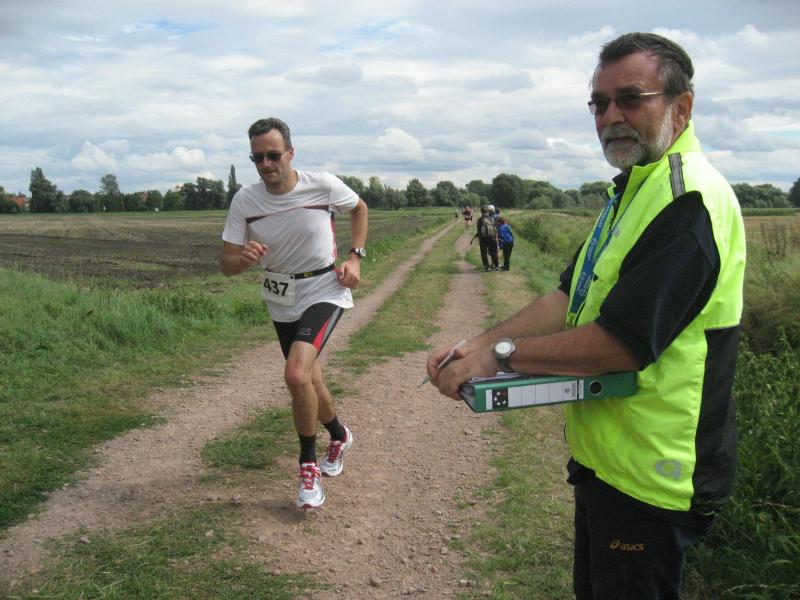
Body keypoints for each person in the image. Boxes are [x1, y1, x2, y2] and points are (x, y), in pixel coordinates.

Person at [427, 32, 745, 599]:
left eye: (630, 99)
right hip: (607, 461)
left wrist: (500, 357)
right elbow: (566, 296)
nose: (610, 116)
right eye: (599, 103)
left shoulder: (688, 201)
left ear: (682, 107)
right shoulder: (631, 192)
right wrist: (477, 343)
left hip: (655, 478)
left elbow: (621, 344)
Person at [220, 117, 368, 509]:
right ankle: (339, 435)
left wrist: (355, 257)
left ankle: (308, 466)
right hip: (281, 295)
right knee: (310, 382)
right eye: (257, 158)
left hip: (324, 288)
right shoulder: (245, 201)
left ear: (290, 152)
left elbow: (359, 208)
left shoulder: (322, 185)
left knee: (295, 374)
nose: (266, 164)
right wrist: (242, 258)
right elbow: (227, 264)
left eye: (273, 155)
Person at [474, 207, 499, 271]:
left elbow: (479, 230)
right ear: (487, 212)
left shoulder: (480, 219)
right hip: (492, 237)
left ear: (481, 212)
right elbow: (495, 228)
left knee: (484, 252)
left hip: (483, 238)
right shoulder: (491, 218)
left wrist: (479, 238)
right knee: (493, 252)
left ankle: (487, 267)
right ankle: (496, 266)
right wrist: (496, 237)